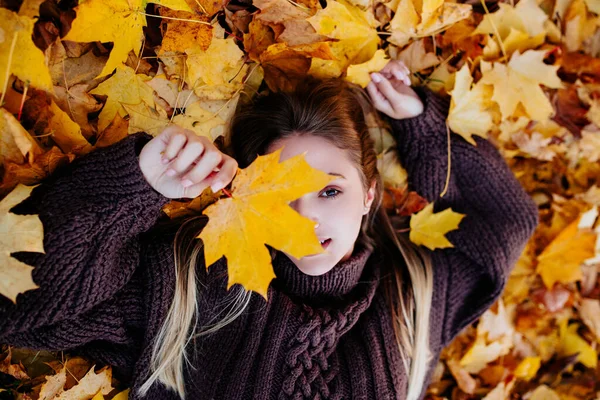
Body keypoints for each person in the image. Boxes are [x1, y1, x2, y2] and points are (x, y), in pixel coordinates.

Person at [0, 60, 539, 400]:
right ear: (247, 197)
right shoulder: (196, 287)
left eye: (331, 190)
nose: (306, 219)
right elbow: (20, 310)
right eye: (281, 195)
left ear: (368, 195)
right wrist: (137, 183)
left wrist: (422, 125)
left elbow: (507, 220)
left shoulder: (415, 296)